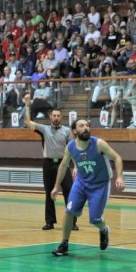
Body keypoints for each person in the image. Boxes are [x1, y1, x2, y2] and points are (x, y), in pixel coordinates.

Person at [50, 118, 125, 256]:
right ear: (74, 131)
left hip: (100, 184)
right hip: (81, 182)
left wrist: (119, 177)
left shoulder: (98, 144)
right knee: (69, 211)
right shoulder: (71, 147)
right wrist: (56, 187)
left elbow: (117, 158)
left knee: (95, 218)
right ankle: (64, 244)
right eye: (82, 126)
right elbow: (63, 165)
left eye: (87, 126)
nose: (86, 128)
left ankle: (103, 229)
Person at [23, 93, 78, 231]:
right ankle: (50, 221)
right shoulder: (44, 129)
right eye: (54, 115)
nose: (56, 118)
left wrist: (75, 166)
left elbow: (72, 150)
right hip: (48, 164)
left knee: (69, 192)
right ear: (50, 117)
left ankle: (72, 222)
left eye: (58, 116)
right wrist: (27, 105)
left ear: (61, 117)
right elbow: (28, 122)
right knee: (49, 193)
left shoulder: (67, 131)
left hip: (63, 164)